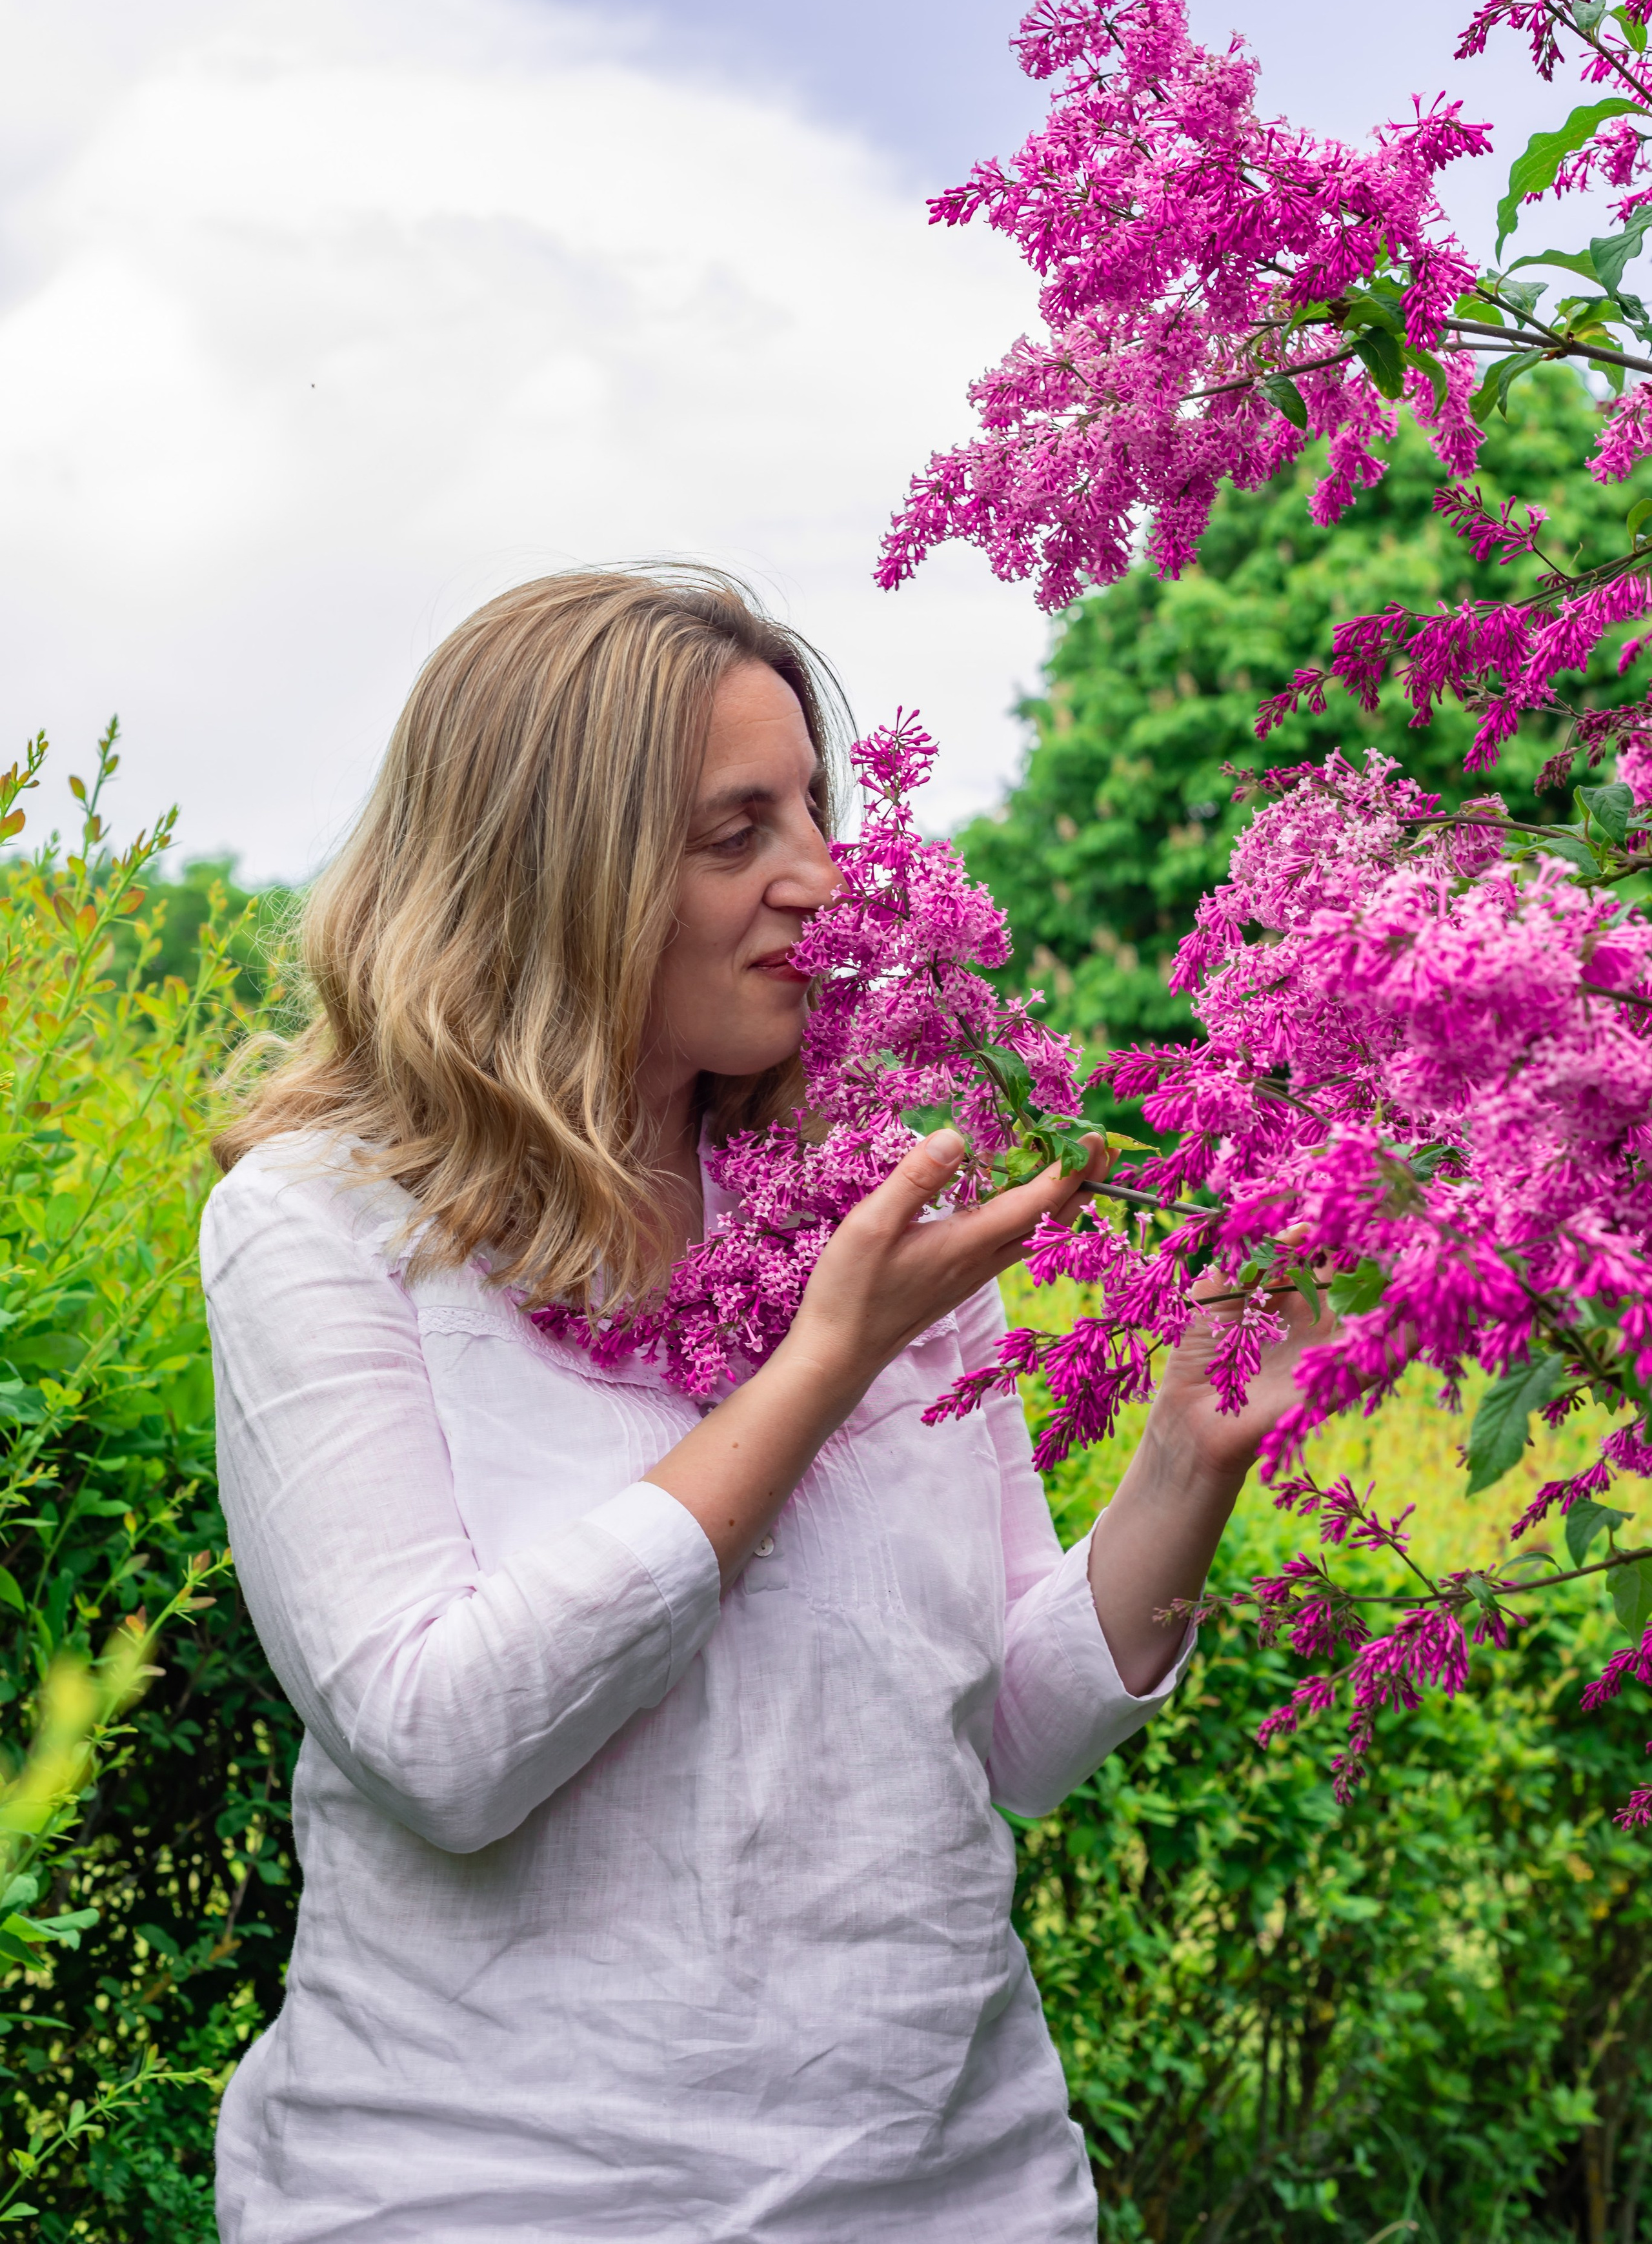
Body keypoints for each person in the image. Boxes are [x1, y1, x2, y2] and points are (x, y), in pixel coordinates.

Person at [204, 567, 1332, 2243]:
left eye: (815, 806)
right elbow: (442, 1741)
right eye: (737, 832)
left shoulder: (870, 1211)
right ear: (553, 870)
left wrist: (1192, 1451)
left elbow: (1009, 1736)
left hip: (957, 2195)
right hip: (484, 2196)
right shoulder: (320, 1223)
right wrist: (826, 1361)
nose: (823, 876)